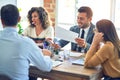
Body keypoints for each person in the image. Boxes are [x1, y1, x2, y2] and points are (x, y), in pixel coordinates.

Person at [0, 4, 52, 80]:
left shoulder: (47, 29)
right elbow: (46, 67)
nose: (33, 19)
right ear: (19, 19)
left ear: (1, 20)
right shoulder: (26, 43)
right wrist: (47, 55)